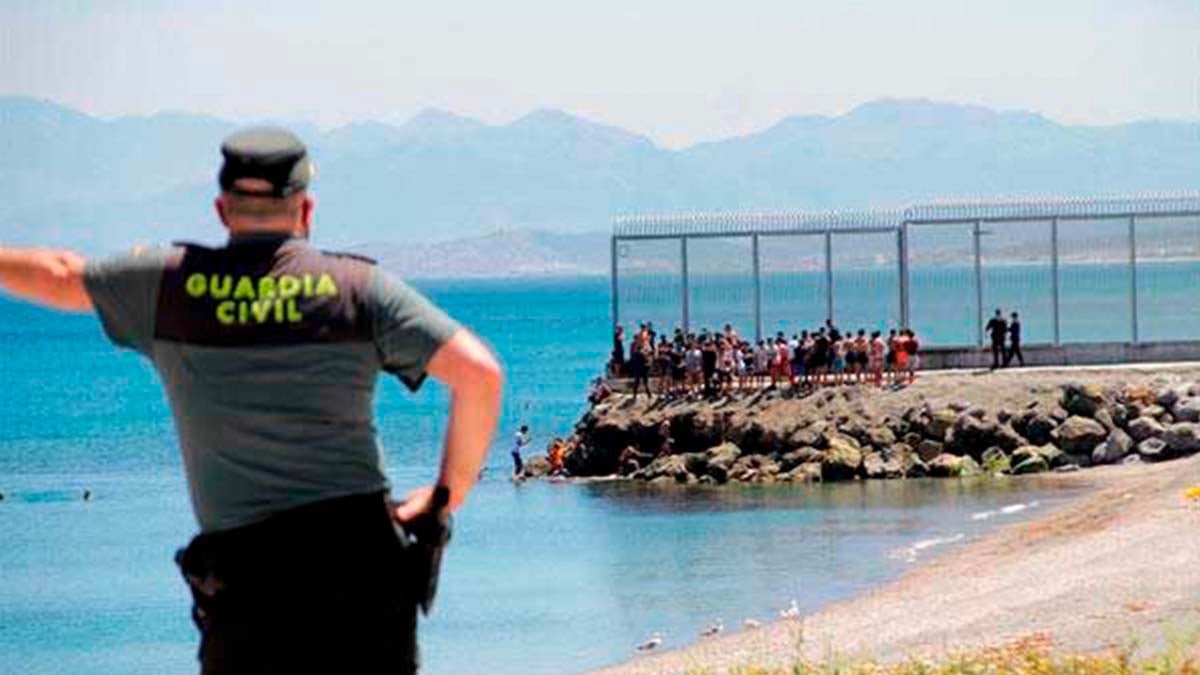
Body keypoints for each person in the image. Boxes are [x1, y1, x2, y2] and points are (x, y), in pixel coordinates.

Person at [0, 127, 503, 674]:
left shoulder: (169, 286)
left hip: (249, 587)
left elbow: (59, 275)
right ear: (304, 209)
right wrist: (444, 495)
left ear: (222, 210)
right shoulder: (358, 289)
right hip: (363, 570)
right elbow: (479, 374)